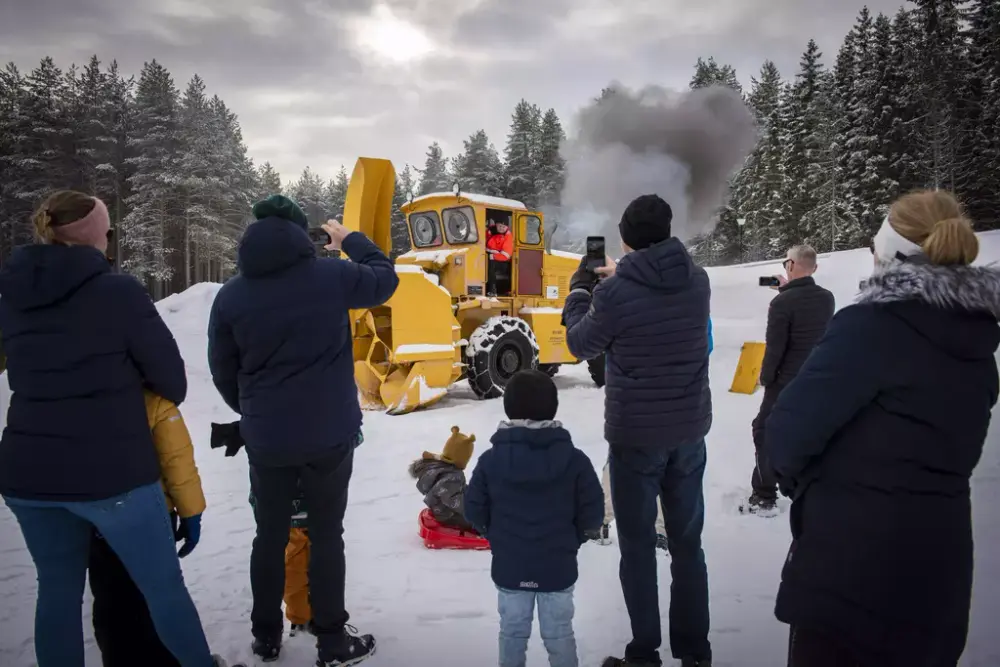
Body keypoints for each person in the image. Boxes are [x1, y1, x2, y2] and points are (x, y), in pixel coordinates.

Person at [765, 190, 997, 667]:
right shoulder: (976, 336)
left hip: (852, 567)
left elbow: (788, 433)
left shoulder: (872, 325)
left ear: (889, 253)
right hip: (941, 565)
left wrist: (804, 484)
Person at [0, 191, 228, 667]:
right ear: (94, 238)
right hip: (112, 475)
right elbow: (172, 380)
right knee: (163, 589)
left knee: (57, 596)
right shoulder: (117, 291)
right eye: (109, 232)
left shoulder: (11, 291)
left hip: (28, 474)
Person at [207, 195, 399, 666]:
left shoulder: (231, 295)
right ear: (301, 237)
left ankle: (266, 636)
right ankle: (332, 640)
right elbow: (385, 278)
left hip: (266, 438)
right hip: (328, 436)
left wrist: (252, 410)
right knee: (327, 534)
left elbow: (221, 369)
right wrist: (348, 239)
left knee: (268, 536)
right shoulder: (331, 277)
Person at [562, 194, 713, 667]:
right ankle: (695, 652)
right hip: (688, 432)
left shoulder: (614, 294)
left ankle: (644, 653)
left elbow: (579, 342)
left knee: (638, 547)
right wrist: (620, 277)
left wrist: (580, 291)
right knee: (688, 546)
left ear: (625, 238)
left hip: (636, 439)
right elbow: (654, 295)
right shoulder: (698, 280)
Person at [465, 369, 604, 667]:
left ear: (508, 408)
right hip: (558, 567)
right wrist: (572, 538)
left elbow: (473, 508)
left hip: (510, 567)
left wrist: (495, 535)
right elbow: (592, 513)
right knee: (560, 634)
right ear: (553, 408)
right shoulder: (575, 460)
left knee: (512, 633)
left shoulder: (491, 461)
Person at [90, 391, 206, 667]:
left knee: (111, 595)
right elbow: (176, 460)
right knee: (160, 595)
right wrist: (191, 512)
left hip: (92, 513)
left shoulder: (68, 396)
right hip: (151, 513)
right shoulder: (151, 399)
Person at [596, 319, 714, 549]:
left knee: (619, 460)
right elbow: (705, 344)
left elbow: (603, 345)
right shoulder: (692, 297)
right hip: (678, 403)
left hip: (635, 402)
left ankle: (600, 518)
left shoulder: (626, 296)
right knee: (668, 469)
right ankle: (660, 529)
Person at [745, 245, 834, 514]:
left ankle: (764, 495)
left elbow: (775, 348)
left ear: (791, 266)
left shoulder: (782, 303)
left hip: (785, 381)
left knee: (763, 431)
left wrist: (766, 378)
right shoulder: (826, 298)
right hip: (815, 379)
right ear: (815, 268)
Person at [212, 420, 317, 637]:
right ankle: (307, 617)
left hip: (270, 481)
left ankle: (284, 626)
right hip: (308, 489)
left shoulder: (260, 391)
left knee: (285, 552)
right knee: (306, 554)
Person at [409, 425, 477, 531]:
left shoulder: (443, 467)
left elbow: (456, 489)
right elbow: (452, 499)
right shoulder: (453, 475)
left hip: (442, 509)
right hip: (448, 514)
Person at [486, 218, 513, 296]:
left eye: (504, 227)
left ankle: (492, 289)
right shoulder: (489, 231)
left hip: (502, 261)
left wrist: (493, 256)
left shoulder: (508, 236)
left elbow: (506, 255)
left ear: (507, 227)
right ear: (496, 225)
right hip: (488, 254)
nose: (501, 228)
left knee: (491, 265)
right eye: (500, 226)